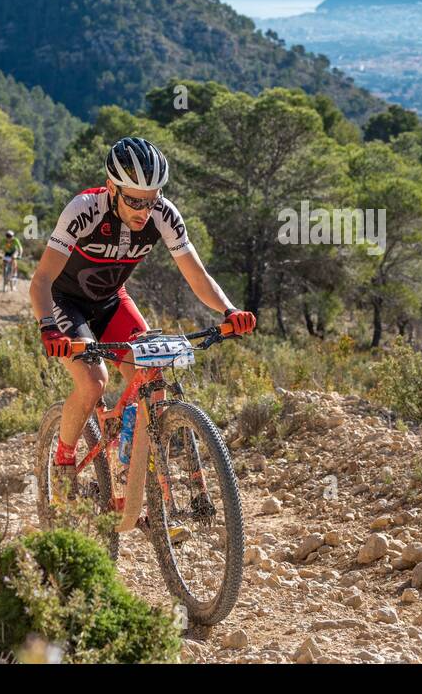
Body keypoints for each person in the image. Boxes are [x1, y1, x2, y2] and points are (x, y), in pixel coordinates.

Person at [30, 136, 256, 490]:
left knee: (151, 372)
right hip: (64, 300)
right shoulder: (84, 210)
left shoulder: (164, 214)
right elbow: (41, 280)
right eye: (134, 199)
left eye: (151, 200)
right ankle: (63, 461)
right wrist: (49, 327)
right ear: (111, 188)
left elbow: (196, 275)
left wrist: (229, 310)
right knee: (93, 381)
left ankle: (132, 468)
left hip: (110, 300)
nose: (144, 210)